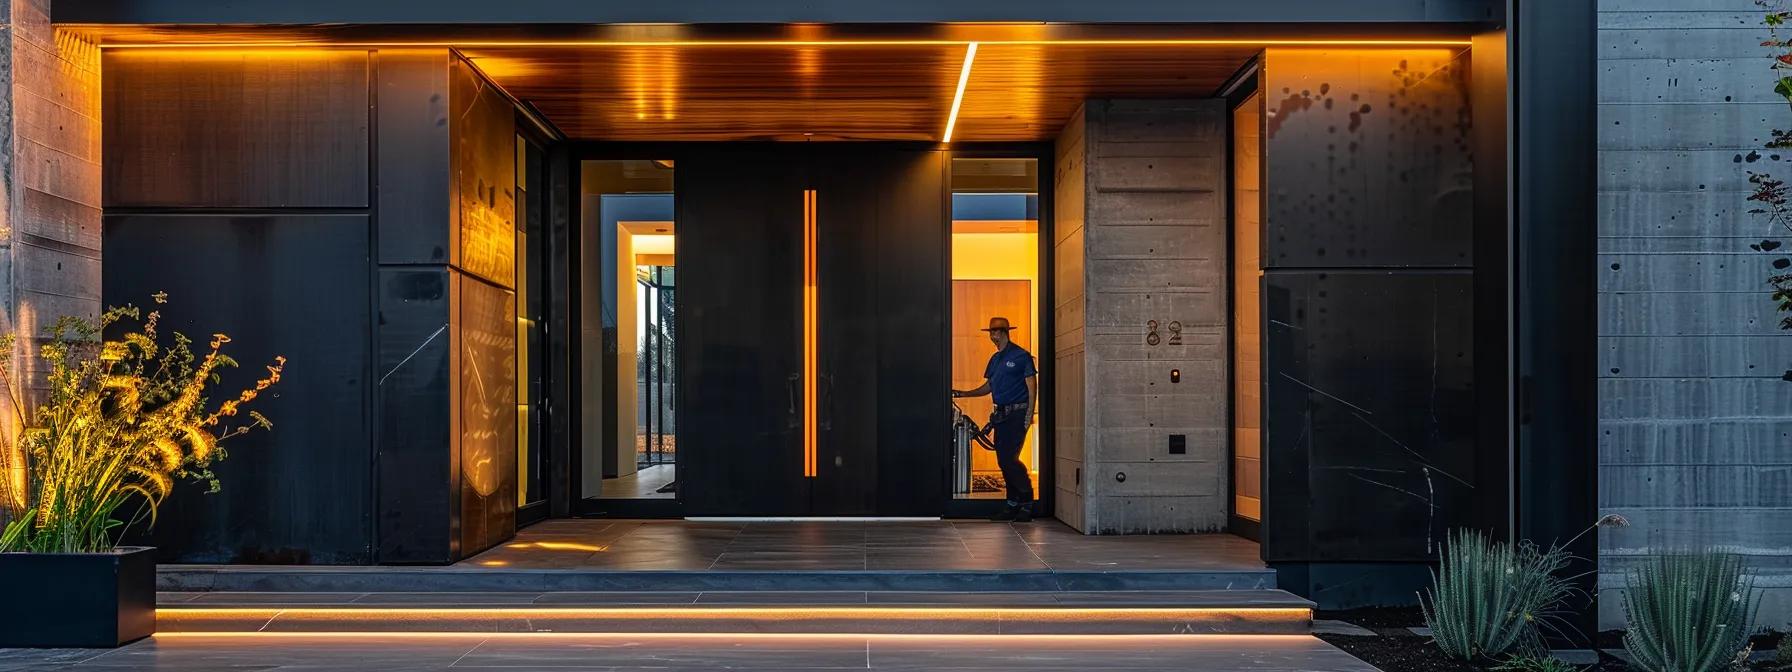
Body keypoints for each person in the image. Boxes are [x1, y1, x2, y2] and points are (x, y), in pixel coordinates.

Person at [951, 316, 1038, 522]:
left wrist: (1029, 415)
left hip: (1018, 414)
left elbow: (1032, 387)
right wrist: (963, 394)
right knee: (1003, 461)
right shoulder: (995, 359)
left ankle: (1026, 501)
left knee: (1009, 459)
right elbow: (988, 387)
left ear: (1003, 332)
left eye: (994, 332)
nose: (992, 337)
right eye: (990, 333)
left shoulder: (1021, 356)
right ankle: (1012, 504)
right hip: (1001, 415)